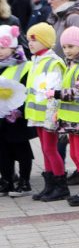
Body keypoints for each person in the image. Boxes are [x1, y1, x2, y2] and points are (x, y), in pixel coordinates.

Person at [50, 26, 79, 206]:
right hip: (69, 120)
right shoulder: (71, 65)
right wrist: (58, 112)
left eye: (71, 46)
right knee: (75, 154)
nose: (67, 51)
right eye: (65, 47)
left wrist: (57, 94)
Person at [24, 23, 67, 202]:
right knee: (44, 148)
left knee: (50, 148)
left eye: (34, 40)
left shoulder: (53, 62)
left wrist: (52, 115)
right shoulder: (36, 60)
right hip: (37, 114)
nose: (30, 44)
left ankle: (60, 186)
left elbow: (55, 90)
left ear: (45, 41)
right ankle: (50, 185)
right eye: (28, 40)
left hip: (48, 114)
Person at [0, 25, 33, 197]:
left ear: (13, 47)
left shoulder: (24, 65)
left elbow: (28, 90)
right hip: (1, 117)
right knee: (3, 151)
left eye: (2, 47)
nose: (0, 51)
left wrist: (19, 110)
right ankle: (6, 181)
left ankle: (25, 182)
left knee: (21, 149)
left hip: (17, 117)